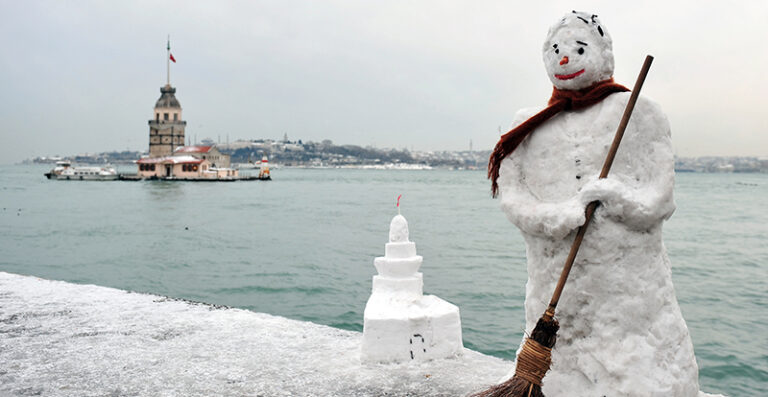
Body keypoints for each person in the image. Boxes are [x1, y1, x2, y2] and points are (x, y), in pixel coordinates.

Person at [489, 11, 700, 396]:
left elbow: (661, 198)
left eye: (578, 48)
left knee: (636, 368)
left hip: (629, 294)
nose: (564, 58)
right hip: (552, 283)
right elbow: (513, 199)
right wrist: (559, 216)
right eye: (555, 50)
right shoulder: (529, 125)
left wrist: (617, 197)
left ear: (601, 53)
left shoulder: (638, 111)